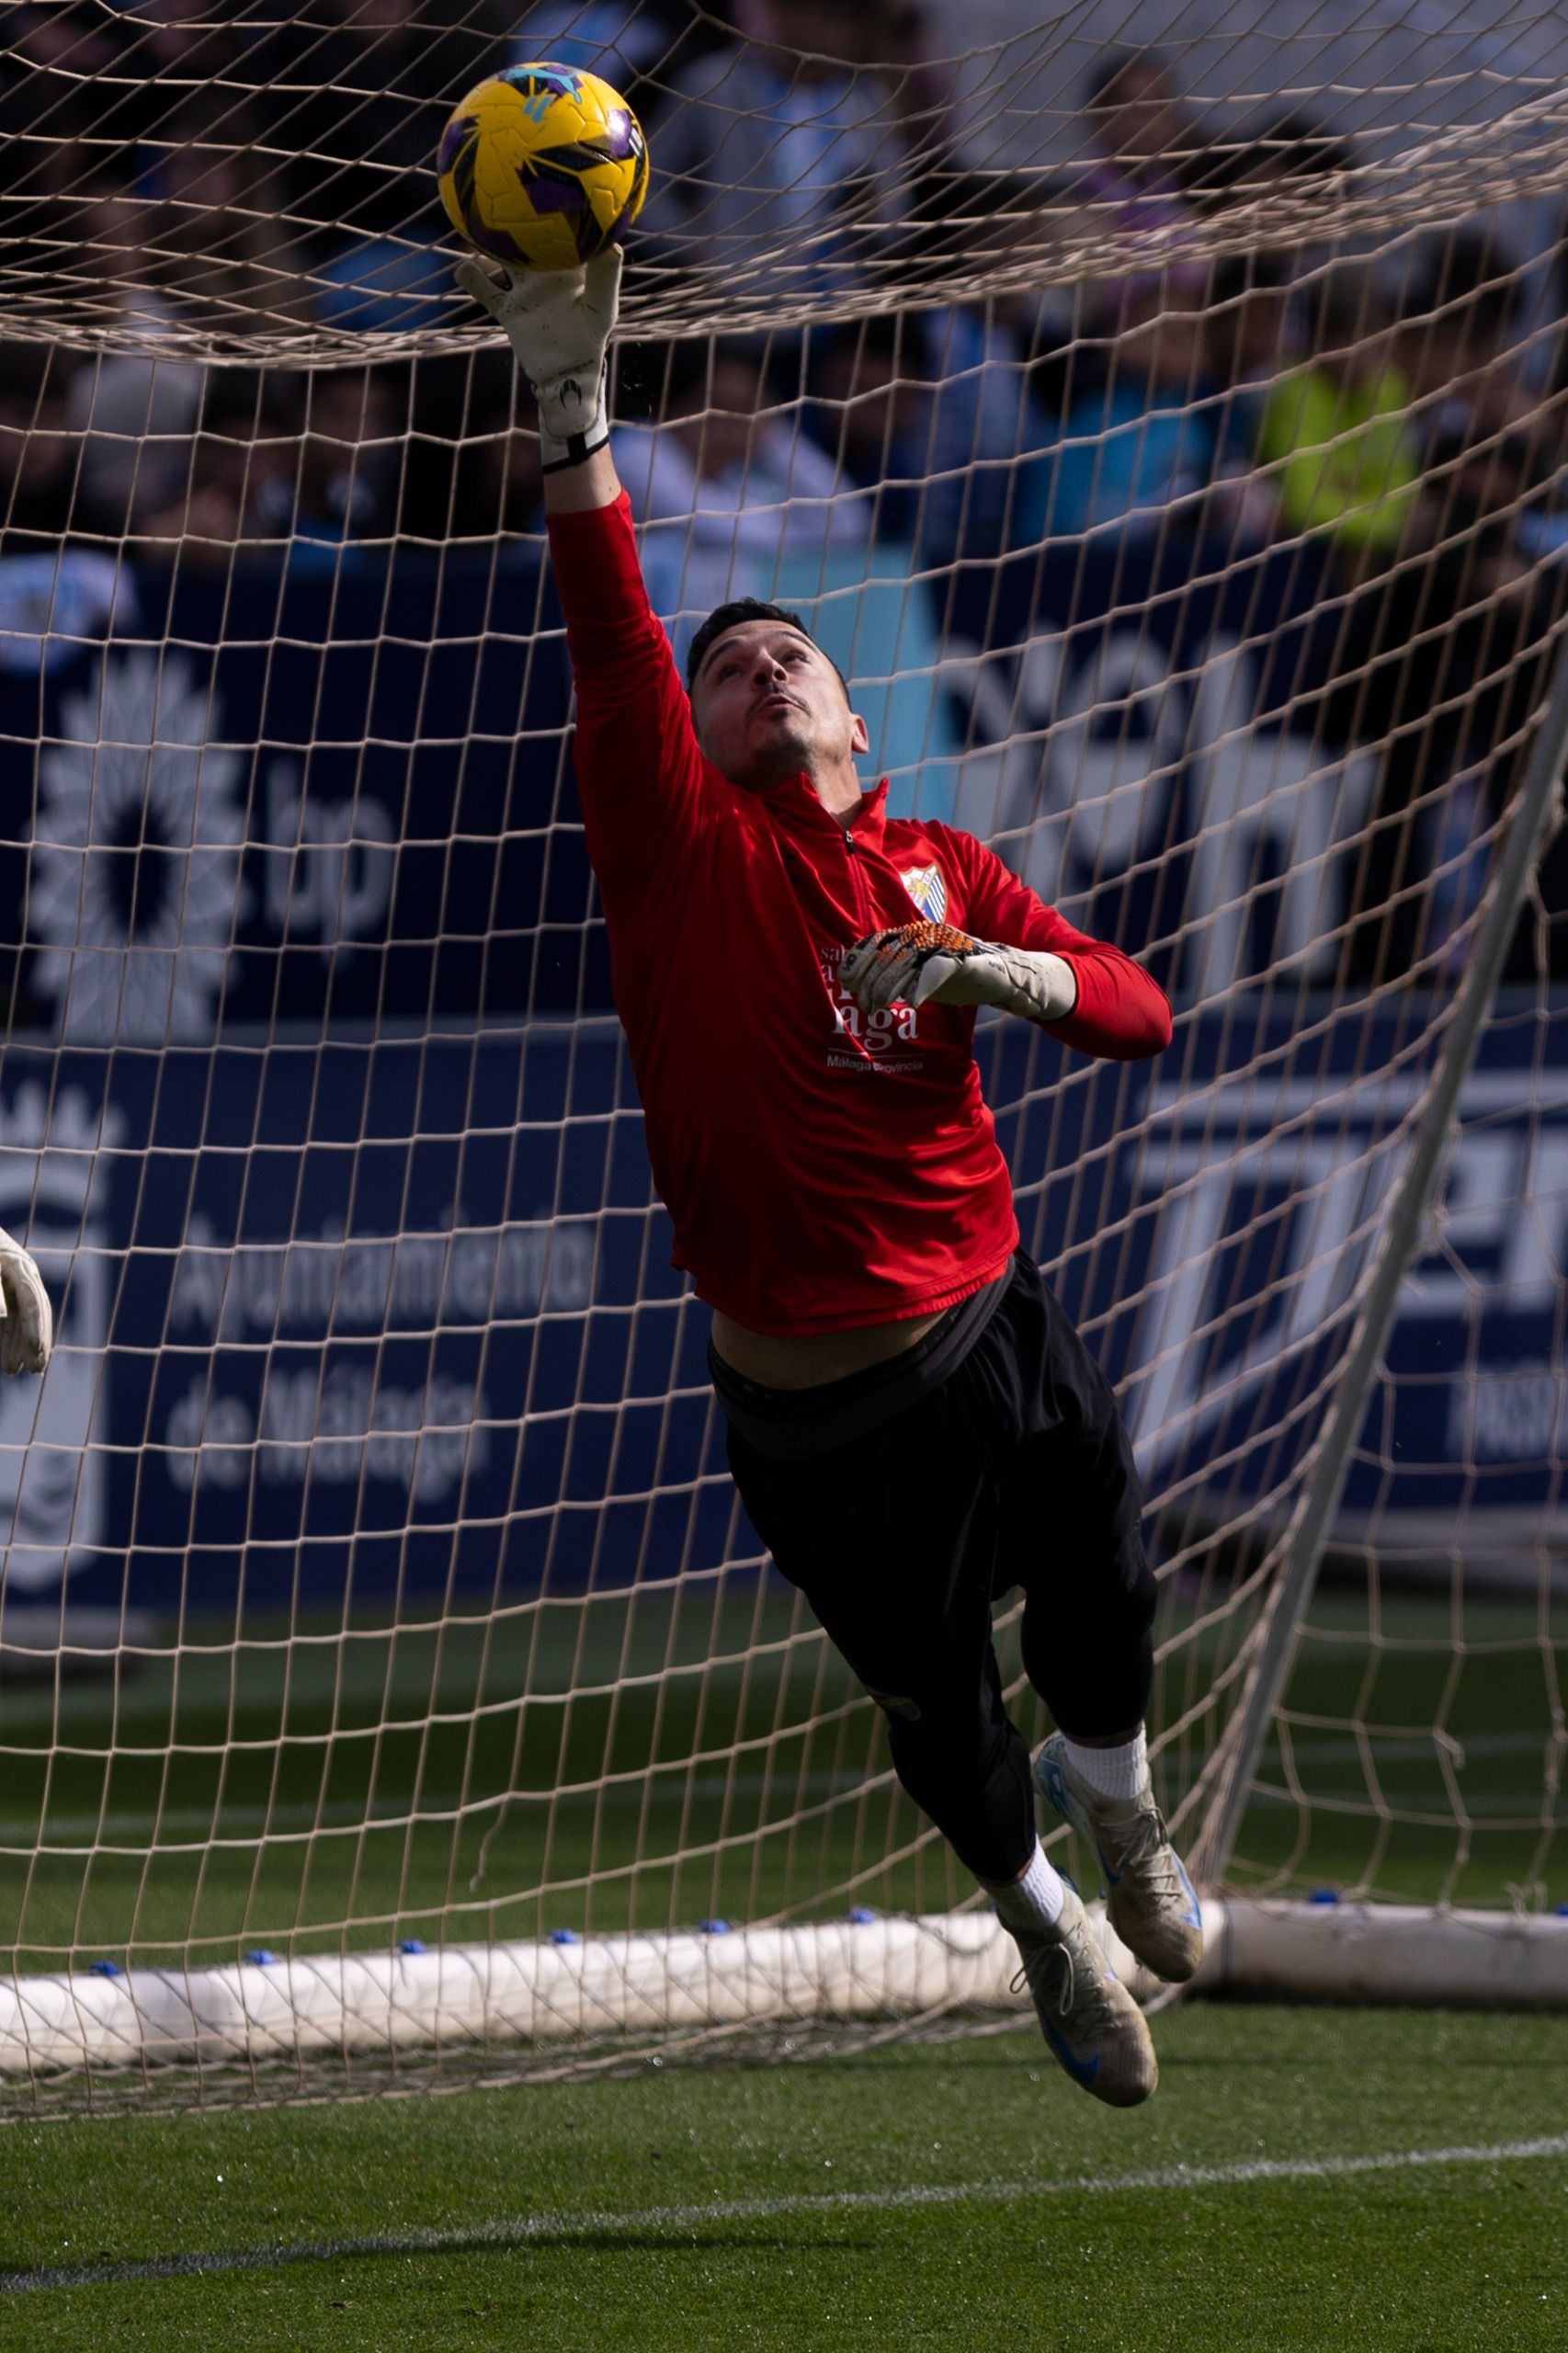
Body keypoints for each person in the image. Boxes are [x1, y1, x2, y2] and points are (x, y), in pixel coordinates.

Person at [458, 249, 1201, 2108]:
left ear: (858, 721)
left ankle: (1123, 1814)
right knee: (940, 1715)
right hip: (817, 1403)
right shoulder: (677, 850)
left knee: (1111, 1581)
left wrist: (1002, 972)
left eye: (789, 655)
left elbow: (1140, 1010)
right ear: (692, 738)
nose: (758, 667)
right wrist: (571, 407)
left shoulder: (943, 865)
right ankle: (1043, 1921)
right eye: (725, 669)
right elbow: (610, 621)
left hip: (991, 1314)